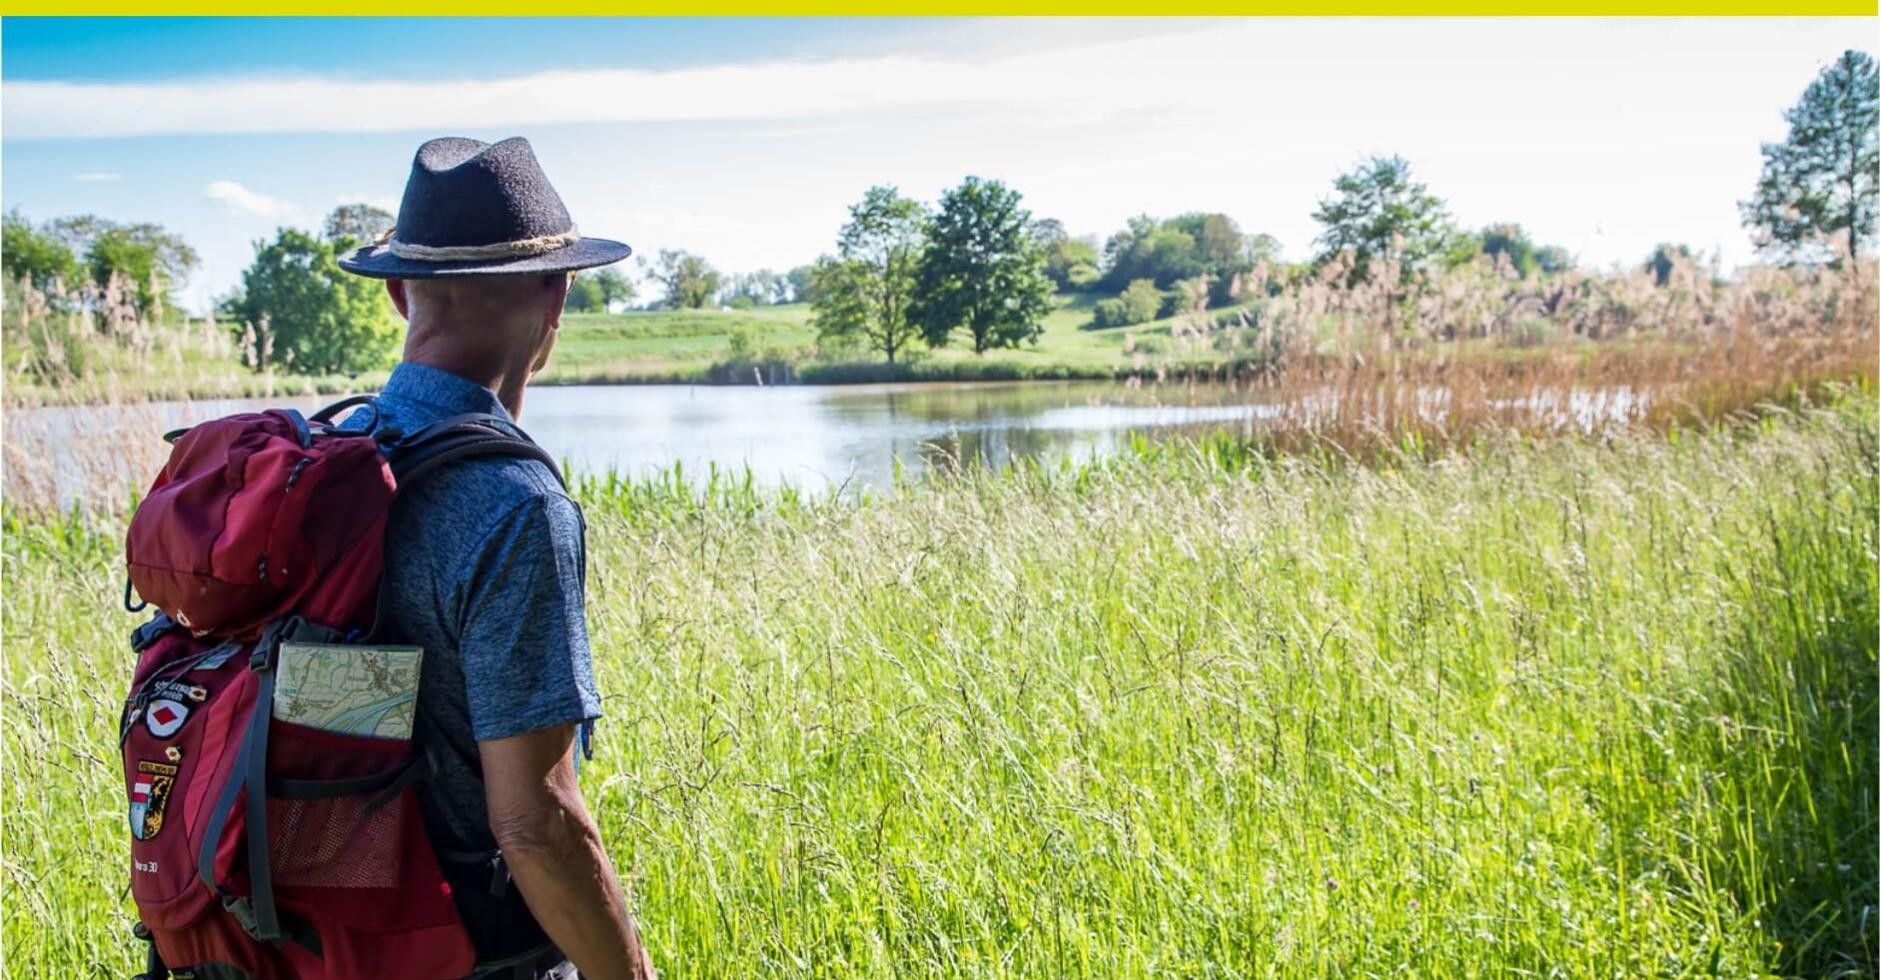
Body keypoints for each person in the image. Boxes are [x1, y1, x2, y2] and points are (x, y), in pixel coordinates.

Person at [337, 136, 655, 980]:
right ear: (557, 294)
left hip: (314, 943)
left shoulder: (336, 455)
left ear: (400, 293)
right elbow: (534, 826)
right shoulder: (514, 503)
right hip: (468, 957)